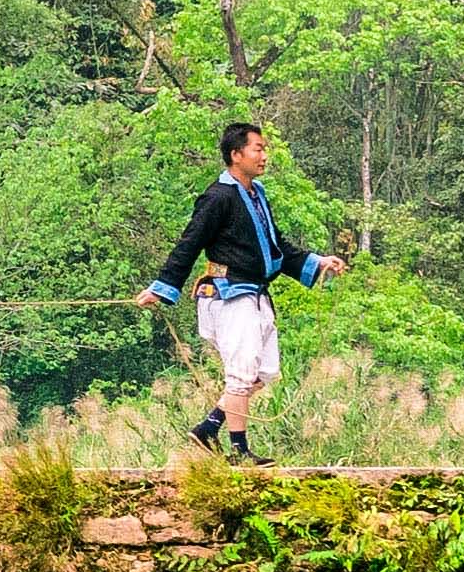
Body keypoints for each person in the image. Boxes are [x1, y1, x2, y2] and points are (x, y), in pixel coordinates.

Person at [141, 117, 341, 455]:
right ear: (237, 154)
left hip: (255, 295)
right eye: (258, 149)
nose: (264, 156)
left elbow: (277, 246)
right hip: (229, 295)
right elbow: (188, 244)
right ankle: (240, 452)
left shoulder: (256, 194)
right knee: (241, 374)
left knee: (264, 372)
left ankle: (208, 428)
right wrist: (161, 288)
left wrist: (318, 262)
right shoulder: (217, 197)